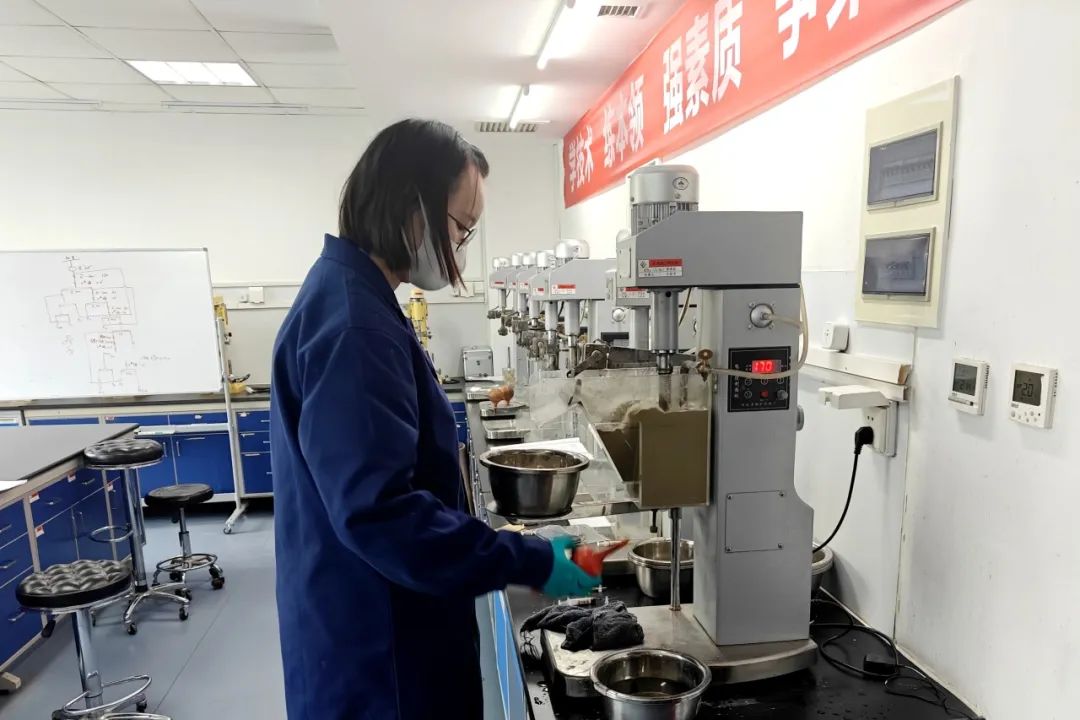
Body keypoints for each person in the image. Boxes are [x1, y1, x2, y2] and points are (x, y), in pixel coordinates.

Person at [269, 118, 598, 720]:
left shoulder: (352, 296)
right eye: (461, 227)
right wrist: (527, 560)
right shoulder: (356, 329)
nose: (462, 247)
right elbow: (384, 516)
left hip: (368, 623)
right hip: (382, 657)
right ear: (409, 205)